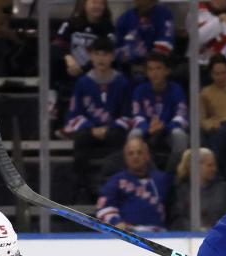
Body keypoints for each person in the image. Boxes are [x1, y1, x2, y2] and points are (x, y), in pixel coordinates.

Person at [63, 36, 131, 201]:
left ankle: (114, 190)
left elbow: (128, 113)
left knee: (119, 140)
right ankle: (82, 189)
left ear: (112, 56)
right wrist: (90, 127)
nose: (101, 58)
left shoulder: (122, 82)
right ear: (91, 56)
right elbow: (74, 113)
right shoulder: (83, 83)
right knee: (81, 140)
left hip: (113, 131)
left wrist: (110, 126)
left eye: (105, 54)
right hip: (89, 131)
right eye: (97, 54)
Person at [128, 52, 189, 170]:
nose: (154, 73)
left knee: (179, 135)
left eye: (158, 68)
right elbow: (136, 116)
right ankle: (146, 172)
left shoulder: (176, 89)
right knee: (134, 134)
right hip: (148, 130)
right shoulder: (140, 90)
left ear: (167, 71)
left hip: (168, 131)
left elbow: (181, 116)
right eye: (150, 69)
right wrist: (148, 128)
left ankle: (175, 173)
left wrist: (164, 126)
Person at [96, 135, 170, 231]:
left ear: (147, 156)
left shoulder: (162, 179)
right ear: (125, 158)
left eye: (139, 152)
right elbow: (103, 208)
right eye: (131, 153)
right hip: (129, 235)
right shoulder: (115, 181)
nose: (135, 156)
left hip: (160, 235)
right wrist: (116, 222)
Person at [169, 147, 226, 229]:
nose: (214, 169)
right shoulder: (182, 191)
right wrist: (196, 229)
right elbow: (178, 218)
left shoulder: (225, 189)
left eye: (214, 165)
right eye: (210, 165)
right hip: (189, 237)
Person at [115, 0, 175, 78]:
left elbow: (166, 44)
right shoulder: (124, 19)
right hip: (129, 71)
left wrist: (147, 68)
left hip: (157, 71)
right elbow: (116, 49)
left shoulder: (164, 14)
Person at [197, 0, 226, 68]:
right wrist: (220, 19)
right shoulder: (198, 9)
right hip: (200, 64)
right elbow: (197, 38)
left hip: (225, 66)